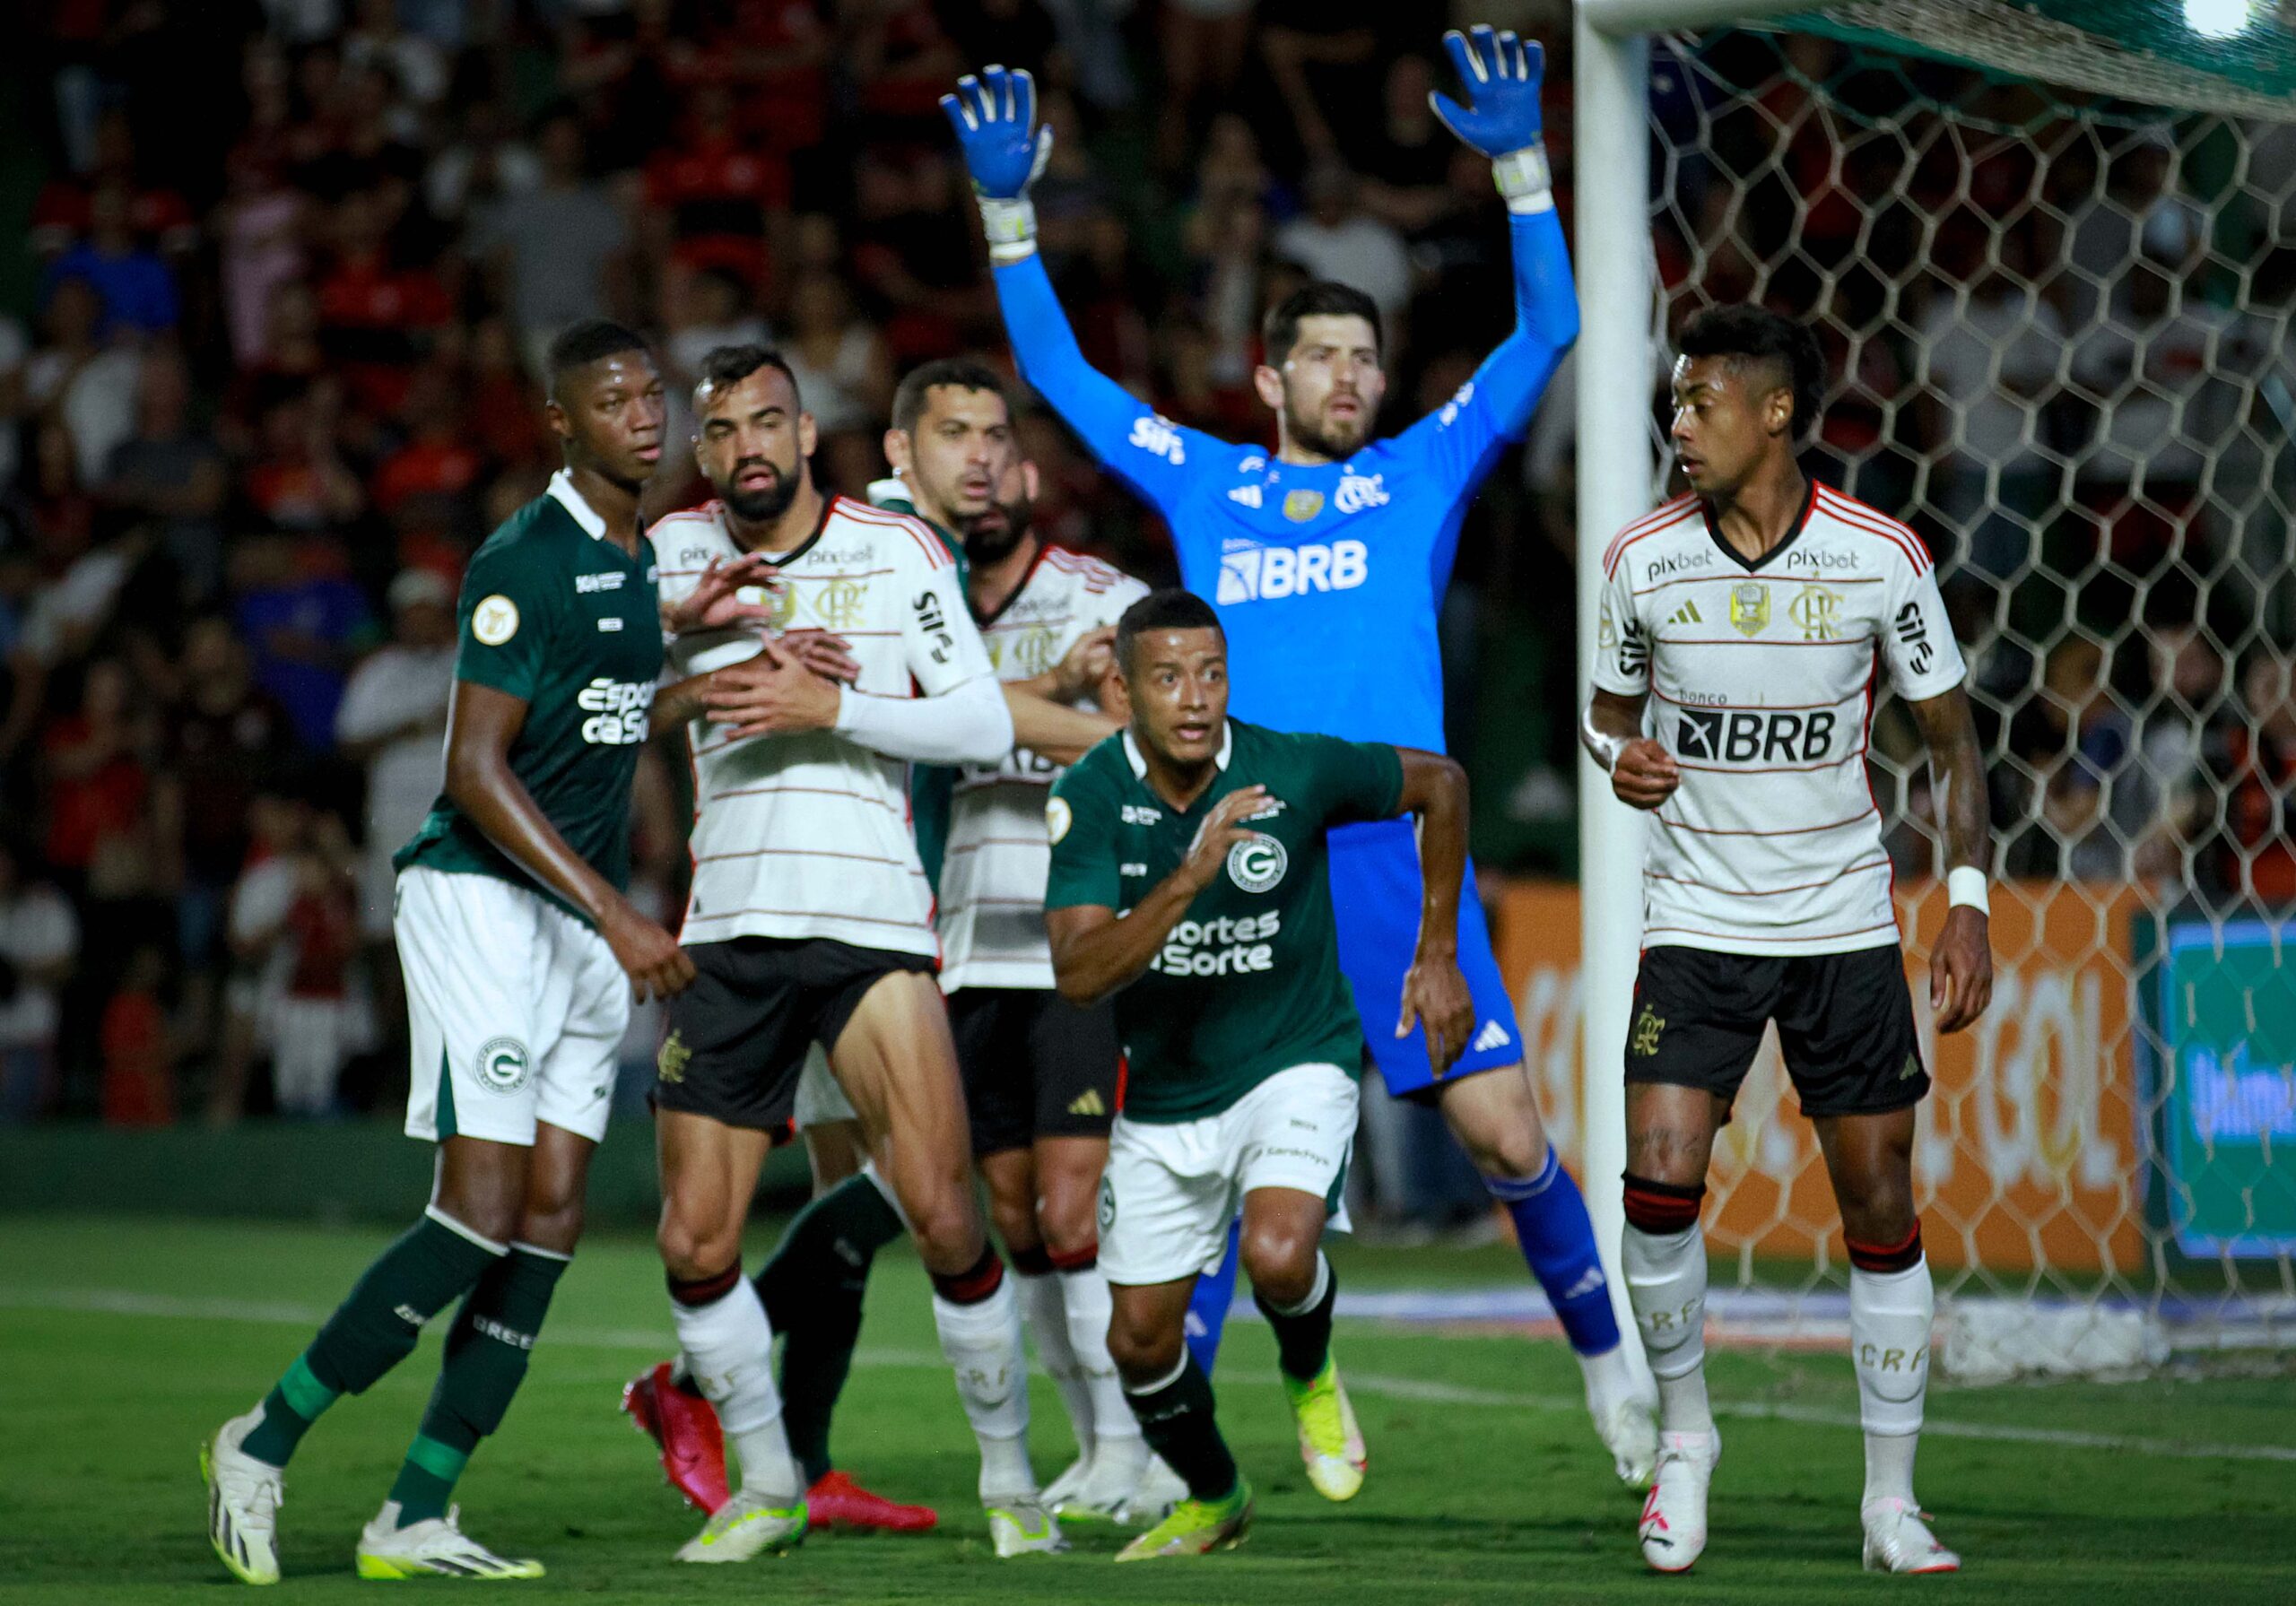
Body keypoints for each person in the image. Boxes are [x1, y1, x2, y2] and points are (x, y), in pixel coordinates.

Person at [945, 35, 1656, 1480]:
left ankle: (1615, 1369)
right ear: (1268, 376)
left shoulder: (1423, 468)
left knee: (1508, 1132)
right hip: (1249, 856)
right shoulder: (1209, 475)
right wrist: (1010, 216)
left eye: (1367, 354)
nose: (1352, 372)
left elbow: (1552, 327)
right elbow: (1060, 373)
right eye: (1323, 354)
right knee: (1207, 1167)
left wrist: (1524, 167)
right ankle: (1156, 1449)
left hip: (1393, 853)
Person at [201, 319, 757, 1584]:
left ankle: (416, 1509)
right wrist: (618, 911)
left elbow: (603, 722)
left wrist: (697, 666)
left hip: (570, 914)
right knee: (481, 1207)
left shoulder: (630, 564)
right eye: (612, 400)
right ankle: (259, 1436)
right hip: (483, 900)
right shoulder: (525, 557)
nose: (644, 415)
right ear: (562, 421)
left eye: (651, 394)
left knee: (552, 1215)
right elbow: (473, 766)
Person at [1579, 305, 1995, 1576]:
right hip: (1695, 916)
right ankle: (1686, 1445)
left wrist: (1966, 896)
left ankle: (1888, 1503)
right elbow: (1605, 716)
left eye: (1701, 403)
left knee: (1878, 1197)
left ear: (1775, 414)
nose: (1677, 423)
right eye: (1674, 402)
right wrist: (1622, 756)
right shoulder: (1641, 557)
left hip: (1842, 921)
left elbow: (1950, 743)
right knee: (1657, 1177)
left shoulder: (1879, 557)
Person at [633, 343, 1062, 1562]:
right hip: (726, 933)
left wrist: (837, 706)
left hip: (871, 926)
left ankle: (1012, 1479)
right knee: (693, 1240)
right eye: (723, 431)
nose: (750, 446)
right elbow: (601, 711)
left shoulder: (896, 548)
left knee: (941, 1210)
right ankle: (767, 1479)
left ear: (809, 433)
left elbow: (978, 718)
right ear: (703, 449)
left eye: (771, 420)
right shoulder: (672, 559)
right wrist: (695, 689)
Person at [1044, 588, 1475, 1561]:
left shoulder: (1291, 766)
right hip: (1163, 1099)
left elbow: (1441, 784)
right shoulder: (1092, 796)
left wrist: (1436, 949)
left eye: (1211, 673)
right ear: (1124, 687)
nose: (1194, 698)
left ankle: (1309, 1369)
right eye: (1166, 678)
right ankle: (1214, 1494)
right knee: (1139, 1346)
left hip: (1294, 1059)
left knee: (1281, 1255)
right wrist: (1190, 877)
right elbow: (1078, 977)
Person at [888, 360, 1152, 1521]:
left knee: (1072, 1206)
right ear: (918, 460)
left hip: (1072, 948)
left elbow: (1159, 747)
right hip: (953, 948)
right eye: (960, 437)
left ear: (1033, 473)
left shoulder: (1105, 599)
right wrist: (1039, 702)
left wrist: (1081, 706)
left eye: (1001, 438)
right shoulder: (902, 591)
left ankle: (1138, 1449)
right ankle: (1096, 1444)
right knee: (1011, 1213)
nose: (985, 458)